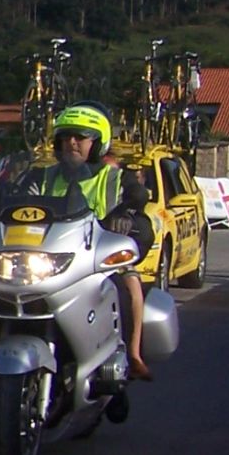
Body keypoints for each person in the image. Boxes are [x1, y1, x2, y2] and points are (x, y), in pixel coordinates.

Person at [42, 102, 154, 381]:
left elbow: (137, 201)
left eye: (80, 137)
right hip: (50, 258)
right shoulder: (43, 177)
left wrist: (127, 218)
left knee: (129, 285)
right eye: (65, 136)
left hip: (98, 259)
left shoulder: (115, 178)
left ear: (98, 143)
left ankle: (130, 356)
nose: (71, 143)